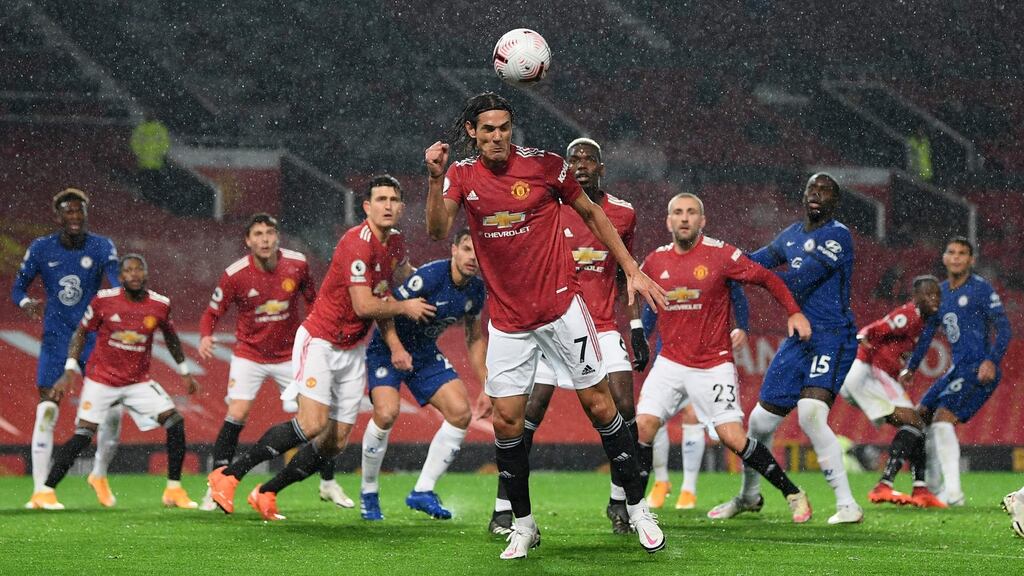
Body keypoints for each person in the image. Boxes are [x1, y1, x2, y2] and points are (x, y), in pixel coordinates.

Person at [424, 92, 667, 559]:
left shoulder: (545, 166)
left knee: (602, 407)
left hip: (562, 312)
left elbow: (594, 214)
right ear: (472, 132)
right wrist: (434, 179)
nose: (498, 136)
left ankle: (637, 510)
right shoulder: (461, 175)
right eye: (488, 129)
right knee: (507, 422)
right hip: (509, 324)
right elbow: (437, 230)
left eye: (505, 127)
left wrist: (632, 269)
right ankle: (524, 524)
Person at [206, 175, 434, 520]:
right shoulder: (356, 244)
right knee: (311, 424)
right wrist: (406, 307)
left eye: (393, 200)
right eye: (381, 199)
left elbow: (391, 286)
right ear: (367, 207)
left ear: (401, 207)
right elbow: (364, 305)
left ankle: (266, 491)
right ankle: (228, 476)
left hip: (353, 349)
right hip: (321, 340)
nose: (388, 205)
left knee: (336, 441)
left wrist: (433, 287)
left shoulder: (396, 243)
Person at [485, 137, 650, 536]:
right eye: (573, 159)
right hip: (551, 325)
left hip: (604, 327)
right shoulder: (549, 208)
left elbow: (624, 273)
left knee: (625, 411)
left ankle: (621, 502)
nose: (580, 165)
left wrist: (637, 327)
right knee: (525, 417)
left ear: (601, 168)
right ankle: (503, 508)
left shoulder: (623, 214)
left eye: (588, 159)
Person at [635, 192, 814, 523]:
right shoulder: (655, 261)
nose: (685, 218)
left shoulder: (721, 255)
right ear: (668, 221)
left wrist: (793, 312)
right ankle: (633, 509)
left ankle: (792, 492)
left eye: (691, 213)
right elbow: (643, 300)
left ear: (702, 221)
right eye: (678, 212)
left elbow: (766, 278)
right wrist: (640, 336)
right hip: (670, 362)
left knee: (733, 437)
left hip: (711, 365)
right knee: (643, 427)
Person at [709, 173, 865, 525]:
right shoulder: (791, 236)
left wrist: (751, 275)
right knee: (760, 421)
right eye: (812, 188)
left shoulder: (837, 236)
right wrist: (722, 265)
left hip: (833, 336)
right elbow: (754, 261)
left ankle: (847, 504)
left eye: (824, 191)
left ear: (834, 202)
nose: (816, 195)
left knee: (811, 412)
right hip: (799, 340)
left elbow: (797, 279)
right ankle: (749, 496)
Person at [196, 214, 352, 510]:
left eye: (270, 232)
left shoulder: (297, 264)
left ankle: (328, 483)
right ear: (248, 240)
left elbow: (314, 300)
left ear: (278, 236)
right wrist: (205, 336)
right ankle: (215, 486)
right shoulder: (235, 274)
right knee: (237, 413)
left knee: (317, 419)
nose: (265, 239)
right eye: (258, 234)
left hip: (289, 355)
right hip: (249, 355)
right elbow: (211, 312)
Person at [28, 254, 200, 509]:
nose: (133, 274)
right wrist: (70, 369)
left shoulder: (159, 304)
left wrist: (184, 370)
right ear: (120, 277)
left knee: (175, 422)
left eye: (138, 269)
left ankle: (173, 489)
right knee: (83, 435)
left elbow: (171, 338)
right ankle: (45, 492)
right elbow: (81, 333)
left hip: (137, 382)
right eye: (128, 270)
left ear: (145, 274)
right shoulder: (104, 301)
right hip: (102, 381)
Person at [360, 228, 487, 521]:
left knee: (460, 413)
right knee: (387, 413)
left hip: (424, 352)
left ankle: (423, 491)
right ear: (454, 250)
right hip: (386, 348)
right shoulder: (429, 276)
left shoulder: (476, 290)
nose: (473, 257)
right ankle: (368, 492)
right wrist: (396, 349)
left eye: (478, 252)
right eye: (467, 249)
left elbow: (474, 338)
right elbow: (385, 310)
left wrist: (486, 384)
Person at [14, 188, 125, 509]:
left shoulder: (102, 246)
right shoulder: (40, 248)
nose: (75, 216)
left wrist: (122, 305)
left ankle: (99, 474)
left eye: (80, 211)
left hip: (93, 339)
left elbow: (117, 282)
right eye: (68, 211)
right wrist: (25, 303)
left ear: (86, 214)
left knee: (114, 411)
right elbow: (17, 288)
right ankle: (40, 491)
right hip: (55, 340)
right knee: (47, 410)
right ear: (58, 215)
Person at [899, 237, 1012, 505]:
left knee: (942, 418)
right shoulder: (938, 292)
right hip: (955, 369)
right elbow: (927, 334)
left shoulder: (981, 289)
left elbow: (1005, 329)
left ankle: (953, 493)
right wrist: (911, 368)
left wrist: (992, 360)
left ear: (971, 260)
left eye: (963, 253)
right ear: (944, 258)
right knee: (918, 417)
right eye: (952, 252)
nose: (957, 257)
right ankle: (931, 486)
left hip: (977, 368)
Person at [839, 275, 945, 508]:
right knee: (915, 423)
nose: (934, 298)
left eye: (937, 293)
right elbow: (874, 329)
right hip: (867, 372)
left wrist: (905, 369)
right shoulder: (908, 315)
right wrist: (863, 340)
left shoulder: (925, 321)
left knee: (917, 425)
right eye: (928, 294)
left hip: (879, 375)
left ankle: (920, 489)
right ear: (916, 297)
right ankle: (884, 485)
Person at [644, 287, 749, 510]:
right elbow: (652, 303)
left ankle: (688, 489)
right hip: (670, 356)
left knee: (692, 416)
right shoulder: (664, 264)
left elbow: (736, 294)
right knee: (654, 418)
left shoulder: (710, 266)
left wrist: (743, 326)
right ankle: (661, 481)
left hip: (703, 360)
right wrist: (642, 333)